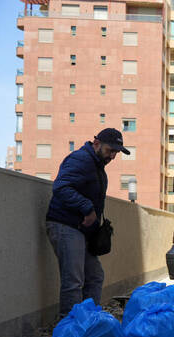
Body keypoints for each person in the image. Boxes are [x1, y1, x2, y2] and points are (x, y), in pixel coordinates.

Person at [45, 128, 130, 317]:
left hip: (80, 230)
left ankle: (89, 321)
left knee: (95, 276)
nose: (113, 156)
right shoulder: (81, 159)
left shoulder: (96, 165)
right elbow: (61, 187)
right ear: (96, 143)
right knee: (73, 281)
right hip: (65, 225)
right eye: (110, 150)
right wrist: (87, 208)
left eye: (116, 152)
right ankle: (71, 328)